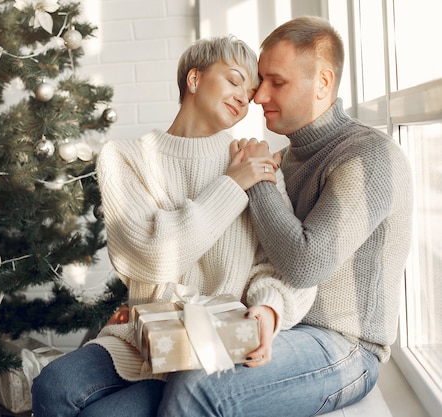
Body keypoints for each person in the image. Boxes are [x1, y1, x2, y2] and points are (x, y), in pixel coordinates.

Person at [31, 35, 316, 417]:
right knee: (53, 385)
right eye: (233, 80)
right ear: (194, 79)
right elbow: (150, 256)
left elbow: (285, 264)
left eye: (249, 93)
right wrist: (231, 187)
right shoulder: (124, 158)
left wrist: (268, 309)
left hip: (214, 346)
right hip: (143, 339)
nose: (242, 98)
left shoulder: (254, 161)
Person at [158, 16, 414, 416]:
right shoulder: (284, 159)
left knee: (199, 386)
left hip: (345, 347)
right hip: (275, 323)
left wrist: (258, 179)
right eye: (260, 81)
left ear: (323, 83)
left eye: (277, 83)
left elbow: (305, 263)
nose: (257, 97)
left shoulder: (369, 156)